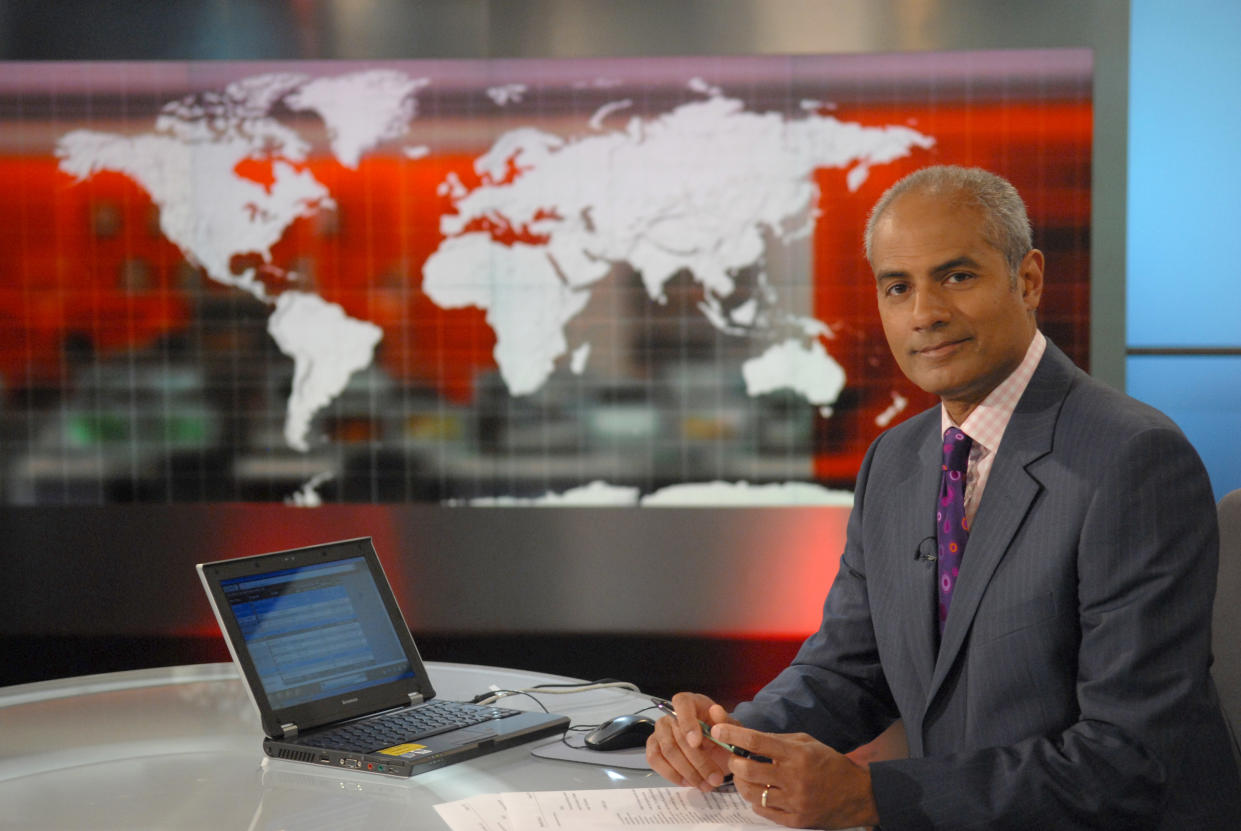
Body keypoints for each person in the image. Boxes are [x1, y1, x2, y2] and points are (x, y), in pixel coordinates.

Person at [646, 165, 1241, 829]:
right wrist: (732, 740)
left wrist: (872, 795)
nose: (924, 312)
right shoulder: (896, 459)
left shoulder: (1131, 458)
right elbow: (850, 668)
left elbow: (1124, 758)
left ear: (1028, 279)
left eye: (956, 276)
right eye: (897, 287)